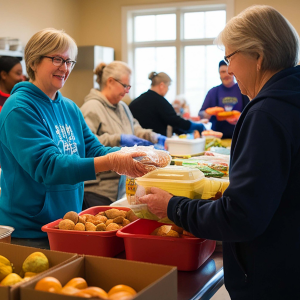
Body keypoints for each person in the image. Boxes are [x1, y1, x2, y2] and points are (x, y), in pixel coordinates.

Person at [138, 5, 300, 300]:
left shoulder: (266, 112)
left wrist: (173, 207)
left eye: (230, 57)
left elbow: (242, 217)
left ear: (259, 57)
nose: (231, 69)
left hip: (272, 280)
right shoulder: (289, 99)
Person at [0, 28, 151, 239]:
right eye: (57, 59)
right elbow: (48, 166)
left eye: (69, 62)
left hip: (68, 223)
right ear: (33, 62)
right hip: (30, 231)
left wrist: (133, 155)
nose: (65, 68)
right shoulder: (19, 108)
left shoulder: (69, 107)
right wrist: (112, 162)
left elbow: (93, 149)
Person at [80, 61, 166, 207]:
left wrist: (154, 137)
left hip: (120, 188)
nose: (127, 91)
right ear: (110, 82)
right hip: (98, 191)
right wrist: (118, 139)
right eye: (125, 86)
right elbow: (84, 144)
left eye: (128, 87)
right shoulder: (91, 107)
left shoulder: (122, 107)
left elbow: (135, 128)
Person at [129, 72, 205, 137]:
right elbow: (175, 121)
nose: (167, 90)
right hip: (154, 143)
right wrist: (196, 126)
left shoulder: (136, 101)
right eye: (168, 87)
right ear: (162, 85)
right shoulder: (160, 101)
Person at [198, 60, 249, 138]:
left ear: (233, 72)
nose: (226, 75)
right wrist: (210, 112)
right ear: (219, 74)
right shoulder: (213, 92)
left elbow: (251, 112)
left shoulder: (243, 90)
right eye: (222, 72)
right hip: (217, 137)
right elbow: (201, 115)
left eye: (228, 71)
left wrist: (240, 117)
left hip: (240, 136)